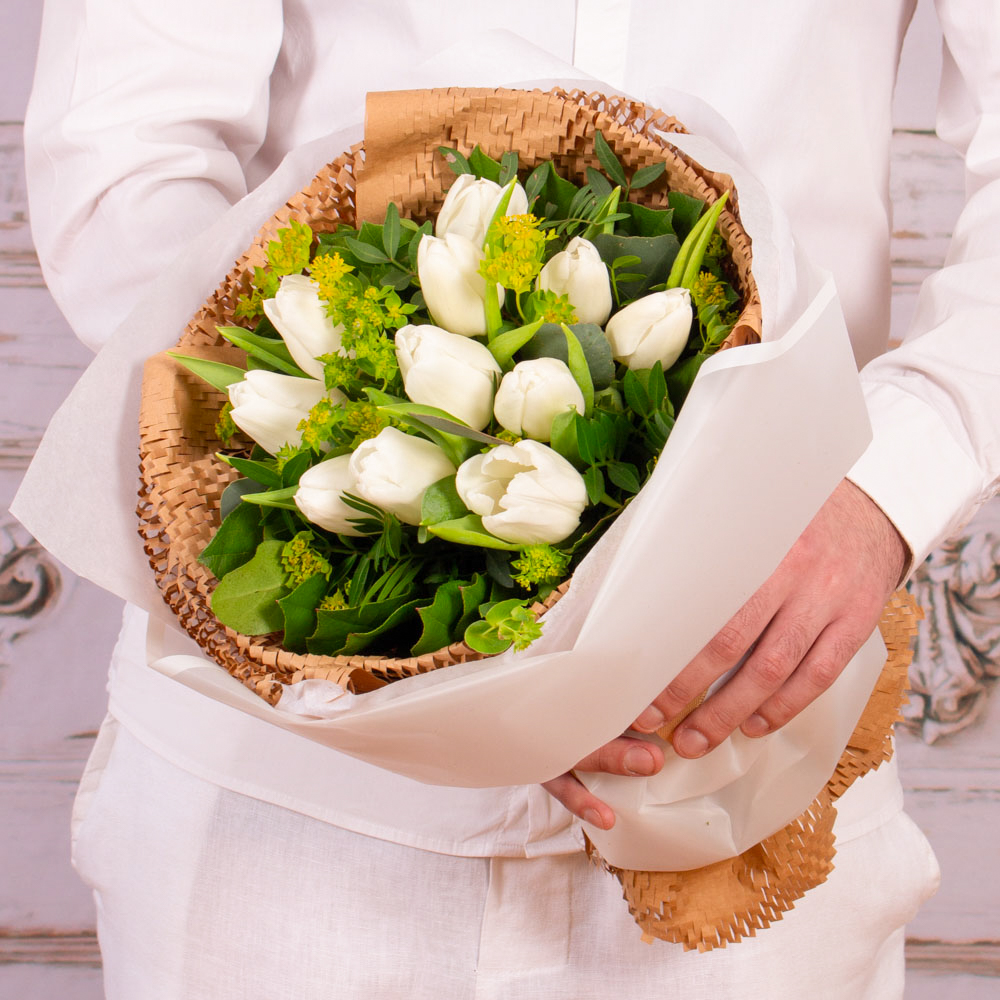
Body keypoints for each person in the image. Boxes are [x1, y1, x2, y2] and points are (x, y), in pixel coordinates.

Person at [20, 0, 999, 996]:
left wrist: (890, 480)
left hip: (751, 723)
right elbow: (124, 158)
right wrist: (334, 435)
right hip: (289, 778)